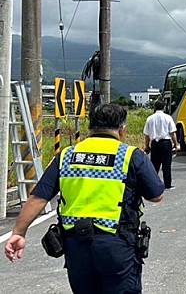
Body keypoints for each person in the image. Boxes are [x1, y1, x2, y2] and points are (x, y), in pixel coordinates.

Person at [4, 103, 165, 294]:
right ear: (122, 130)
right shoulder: (131, 156)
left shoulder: (66, 155)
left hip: (76, 247)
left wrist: (19, 233)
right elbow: (156, 195)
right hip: (117, 246)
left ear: (90, 128)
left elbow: (38, 198)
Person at [144, 99, 180, 190]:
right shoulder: (168, 117)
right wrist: (176, 144)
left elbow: (147, 135)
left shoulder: (150, 118)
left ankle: (153, 184)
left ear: (154, 107)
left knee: (154, 165)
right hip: (166, 143)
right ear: (164, 107)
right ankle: (167, 184)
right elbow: (172, 133)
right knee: (166, 165)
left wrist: (147, 146)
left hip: (155, 144)